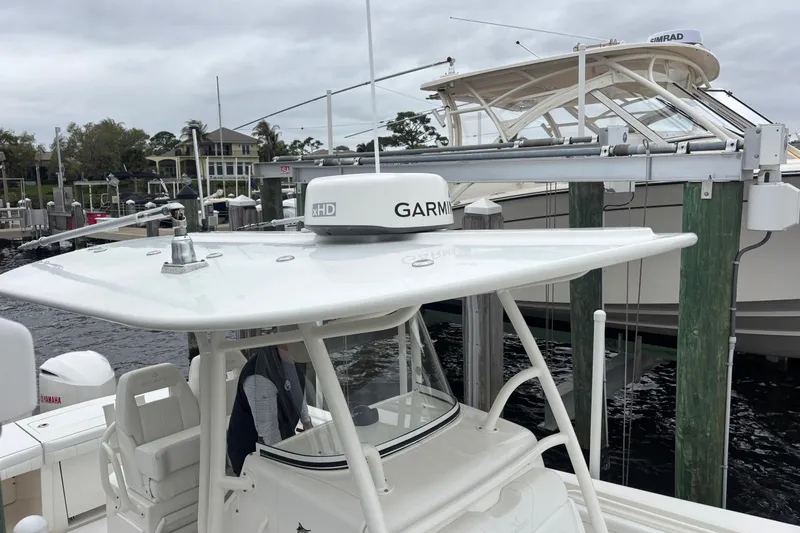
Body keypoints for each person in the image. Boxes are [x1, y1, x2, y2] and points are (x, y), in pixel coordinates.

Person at [227, 342, 313, 476]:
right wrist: (287, 472)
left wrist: (309, 427)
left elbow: (298, 394)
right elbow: (269, 433)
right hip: (251, 454)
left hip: (283, 440)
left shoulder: (290, 359)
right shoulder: (259, 375)